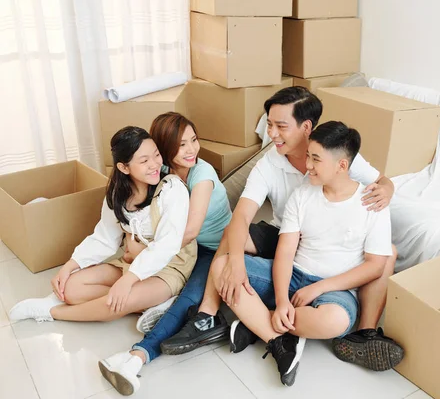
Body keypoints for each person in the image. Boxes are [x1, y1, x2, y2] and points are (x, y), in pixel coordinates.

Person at [160, 87, 403, 373]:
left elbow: (382, 181)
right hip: (283, 237)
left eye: (280, 126)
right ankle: (208, 315)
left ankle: (361, 332)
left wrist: (386, 190)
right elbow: (240, 217)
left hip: (322, 248)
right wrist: (236, 265)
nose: (271, 133)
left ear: (306, 127)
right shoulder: (270, 165)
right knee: (231, 238)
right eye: (269, 124)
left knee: (389, 251)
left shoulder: (335, 151)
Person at [225, 121, 396, 386]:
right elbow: (284, 253)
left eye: (316, 159)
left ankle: (258, 322)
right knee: (222, 267)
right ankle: (279, 329)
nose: (308, 165)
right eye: (308, 156)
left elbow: (375, 267)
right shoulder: (303, 195)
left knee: (336, 321)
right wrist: (282, 300)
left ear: (341, 165)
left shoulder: (372, 203)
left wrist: (319, 289)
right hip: (293, 276)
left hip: (335, 289)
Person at [98, 112, 232, 396]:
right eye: (182, 145)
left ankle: (136, 358)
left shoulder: (202, 174)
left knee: (189, 299)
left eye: (194, 140)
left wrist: (144, 252)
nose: (192, 150)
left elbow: (191, 230)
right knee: (145, 277)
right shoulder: (163, 172)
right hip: (179, 250)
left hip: (215, 248)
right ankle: (162, 304)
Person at [10, 126, 196, 330]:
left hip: (169, 267)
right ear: (124, 168)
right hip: (133, 262)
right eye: (144, 161)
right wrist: (69, 266)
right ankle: (151, 304)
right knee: (72, 289)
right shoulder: (118, 194)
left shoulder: (172, 189)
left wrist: (128, 281)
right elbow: (105, 238)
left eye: (156, 155)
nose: (154, 165)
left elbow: (167, 245)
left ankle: (51, 312)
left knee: (119, 303)